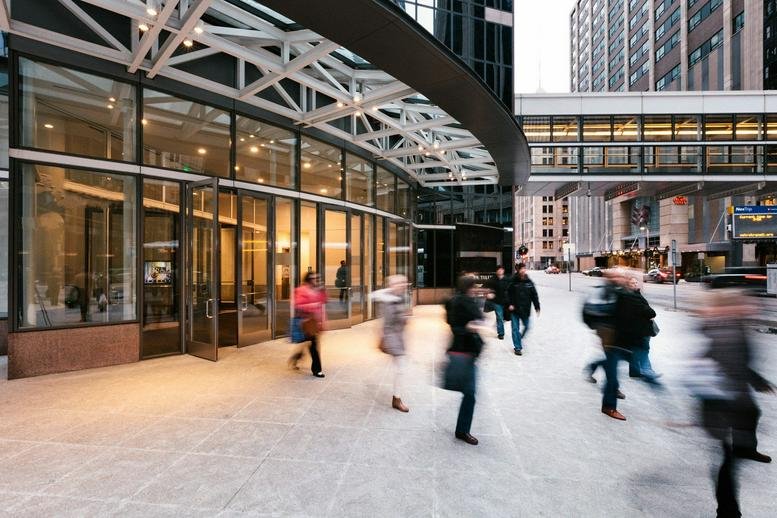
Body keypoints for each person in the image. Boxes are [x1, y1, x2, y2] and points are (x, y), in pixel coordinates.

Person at [696, 289, 774, 517]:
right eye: (746, 303)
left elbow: (738, 364)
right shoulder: (723, 333)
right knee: (726, 460)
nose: (753, 307)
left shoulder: (735, 327)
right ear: (729, 307)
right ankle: (728, 510)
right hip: (720, 403)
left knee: (753, 414)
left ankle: (746, 448)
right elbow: (715, 369)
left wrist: (757, 381)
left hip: (736, 397)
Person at [602, 272, 655, 421]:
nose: (620, 280)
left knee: (617, 367)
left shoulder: (625, 295)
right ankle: (609, 406)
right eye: (617, 278)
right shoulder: (613, 293)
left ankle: (643, 374)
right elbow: (598, 313)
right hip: (612, 339)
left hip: (621, 340)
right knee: (612, 373)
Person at [444, 275, 487, 445]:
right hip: (464, 351)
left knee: (470, 393)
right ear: (467, 287)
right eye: (474, 285)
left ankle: (462, 429)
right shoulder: (460, 302)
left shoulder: (467, 300)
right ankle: (462, 430)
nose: (476, 288)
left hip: (467, 351)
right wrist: (468, 328)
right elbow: (454, 325)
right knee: (470, 393)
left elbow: (479, 317)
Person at [370, 275, 411, 412]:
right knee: (401, 368)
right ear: (392, 285)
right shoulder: (389, 301)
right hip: (392, 337)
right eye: (399, 283)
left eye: (404, 283)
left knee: (400, 368)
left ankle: (396, 398)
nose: (403, 285)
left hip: (398, 336)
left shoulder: (398, 298)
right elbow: (387, 323)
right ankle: (397, 399)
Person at [289, 272, 327, 378]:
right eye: (313, 278)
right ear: (308, 279)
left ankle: (296, 357)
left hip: (316, 321)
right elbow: (298, 304)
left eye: (317, 278)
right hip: (306, 321)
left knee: (309, 343)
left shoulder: (318, 290)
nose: (315, 280)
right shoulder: (301, 290)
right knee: (313, 345)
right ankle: (317, 370)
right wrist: (313, 305)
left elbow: (324, 302)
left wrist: (322, 290)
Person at [506, 263, 540, 356]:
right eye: (522, 269)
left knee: (527, 327)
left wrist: (537, 306)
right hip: (515, 309)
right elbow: (507, 293)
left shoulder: (529, 282)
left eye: (525, 268)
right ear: (518, 270)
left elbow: (534, 295)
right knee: (515, 329)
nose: (524, 270)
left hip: (525, 309)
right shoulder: (513, 281)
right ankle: (517, 348)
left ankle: (518, 338)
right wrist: (510, 304)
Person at [485, 265, 511, 340]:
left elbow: (511, 289)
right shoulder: (492, 279)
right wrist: (488, 294)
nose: (500, 271)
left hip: (506, 302)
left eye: (501, 269)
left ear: (503, 271)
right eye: (498, 270)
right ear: (496, 271)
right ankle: (501, 333)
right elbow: (486, 287)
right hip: (497, 302)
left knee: (505, 318)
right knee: (499, 317)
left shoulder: (507, 279)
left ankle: (498, 325)